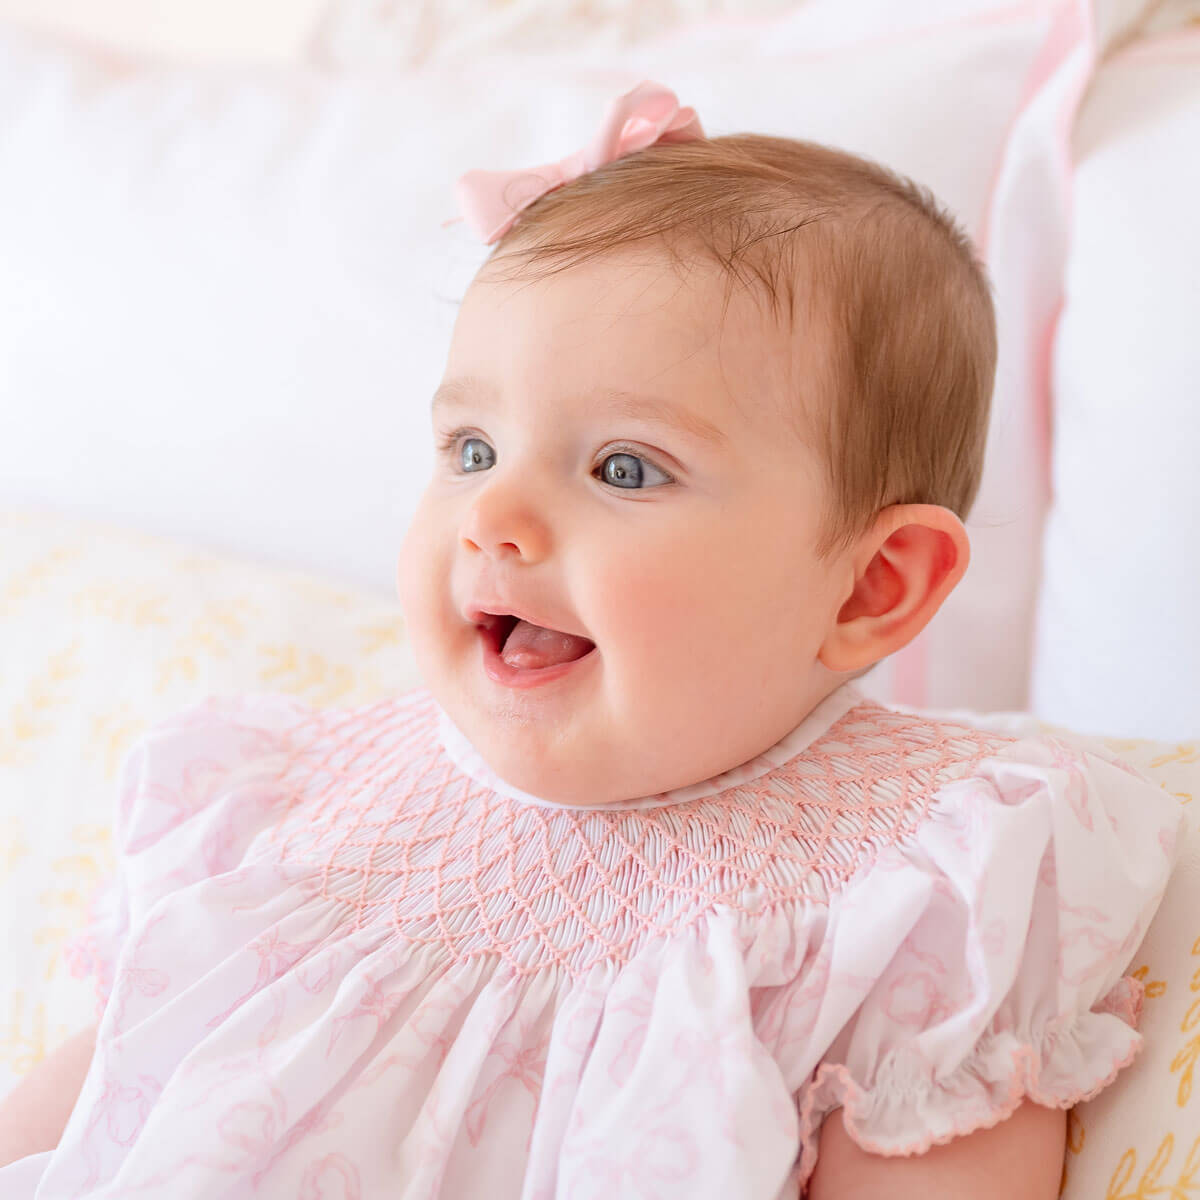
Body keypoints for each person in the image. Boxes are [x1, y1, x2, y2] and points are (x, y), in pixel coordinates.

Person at [0, 81, 1184, 1199]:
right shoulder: (287, 804)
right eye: (473, 450)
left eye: (625, 468)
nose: (494, 517)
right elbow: (99, 1097)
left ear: (870, 586)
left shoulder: (918, 887)